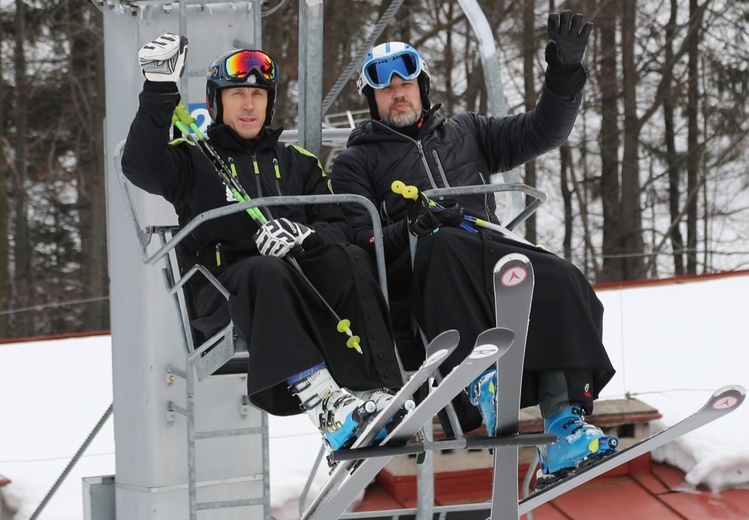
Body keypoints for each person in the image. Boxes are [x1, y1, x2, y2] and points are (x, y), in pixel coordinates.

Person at [330, 11, 618, 486]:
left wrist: (564, 76)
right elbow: (363, 241)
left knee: (562, 277)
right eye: (385, 88)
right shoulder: (356, 162)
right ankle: (480, 378)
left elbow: (543, 131)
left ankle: (565, 424)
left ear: (422, 87)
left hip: (487, 247)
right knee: (443, 241)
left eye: (406, 82)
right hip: (421, 267)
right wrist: (414, 226)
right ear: (372, 99)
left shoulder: (468, 132)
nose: (398, 93)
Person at [121, 33, 404, 451]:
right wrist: (159, 91)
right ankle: (323, 402)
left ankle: (378, 391)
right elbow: (140, 166)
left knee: (348, 259)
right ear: (217, 103)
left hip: (298, 282)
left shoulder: (298, 164)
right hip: (224, 291)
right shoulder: (192, 159)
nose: (249, 105)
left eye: (257, 94)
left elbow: (340, 226)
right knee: (264, 270)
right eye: (237, 94)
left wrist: (303, 235)